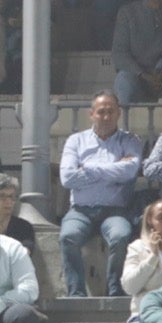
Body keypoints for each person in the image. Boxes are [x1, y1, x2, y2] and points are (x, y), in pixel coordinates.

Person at [58, 91, 142, 297]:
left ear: (119, 113)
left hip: (116, 211)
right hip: (81, 210)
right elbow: (67, 178)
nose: (106, 117)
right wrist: (113, 169)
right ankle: (76, 294)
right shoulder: (75, 141)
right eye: (101, 112)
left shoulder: (130, 141)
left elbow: (129, 171)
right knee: (68, 236)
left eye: (110, 112)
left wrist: (88, 168)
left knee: (121, 236)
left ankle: (115, 291)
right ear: (91, 114)